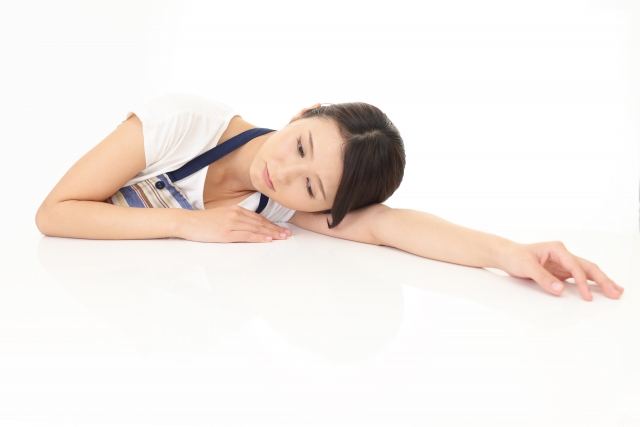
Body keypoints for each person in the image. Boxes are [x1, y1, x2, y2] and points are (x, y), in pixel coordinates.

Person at [35, 93, 624, 302]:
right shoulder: (183, 122)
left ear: (324, 209)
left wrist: (508, 253)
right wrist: (188, 225)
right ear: (303, 112)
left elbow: (390, 226)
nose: (284, 174)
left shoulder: (281, 206)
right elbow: (53, 214)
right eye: (301, 145)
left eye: (311, 187)